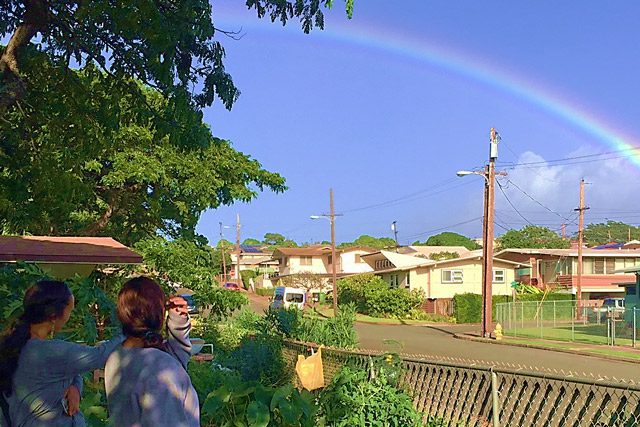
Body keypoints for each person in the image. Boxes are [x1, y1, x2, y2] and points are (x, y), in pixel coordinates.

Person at [0, 280, 124, 426]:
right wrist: (134, 331)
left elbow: (72, 370)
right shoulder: (49, 351)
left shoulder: (17, 346)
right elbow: (101, 355)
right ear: (54, 315)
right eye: (70, 310)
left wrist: (75, 388)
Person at [104, 277, 199, 426]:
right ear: (159, 314)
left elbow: (174, 359)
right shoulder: (162, 366)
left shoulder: (116, 357)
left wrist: (177, 320)